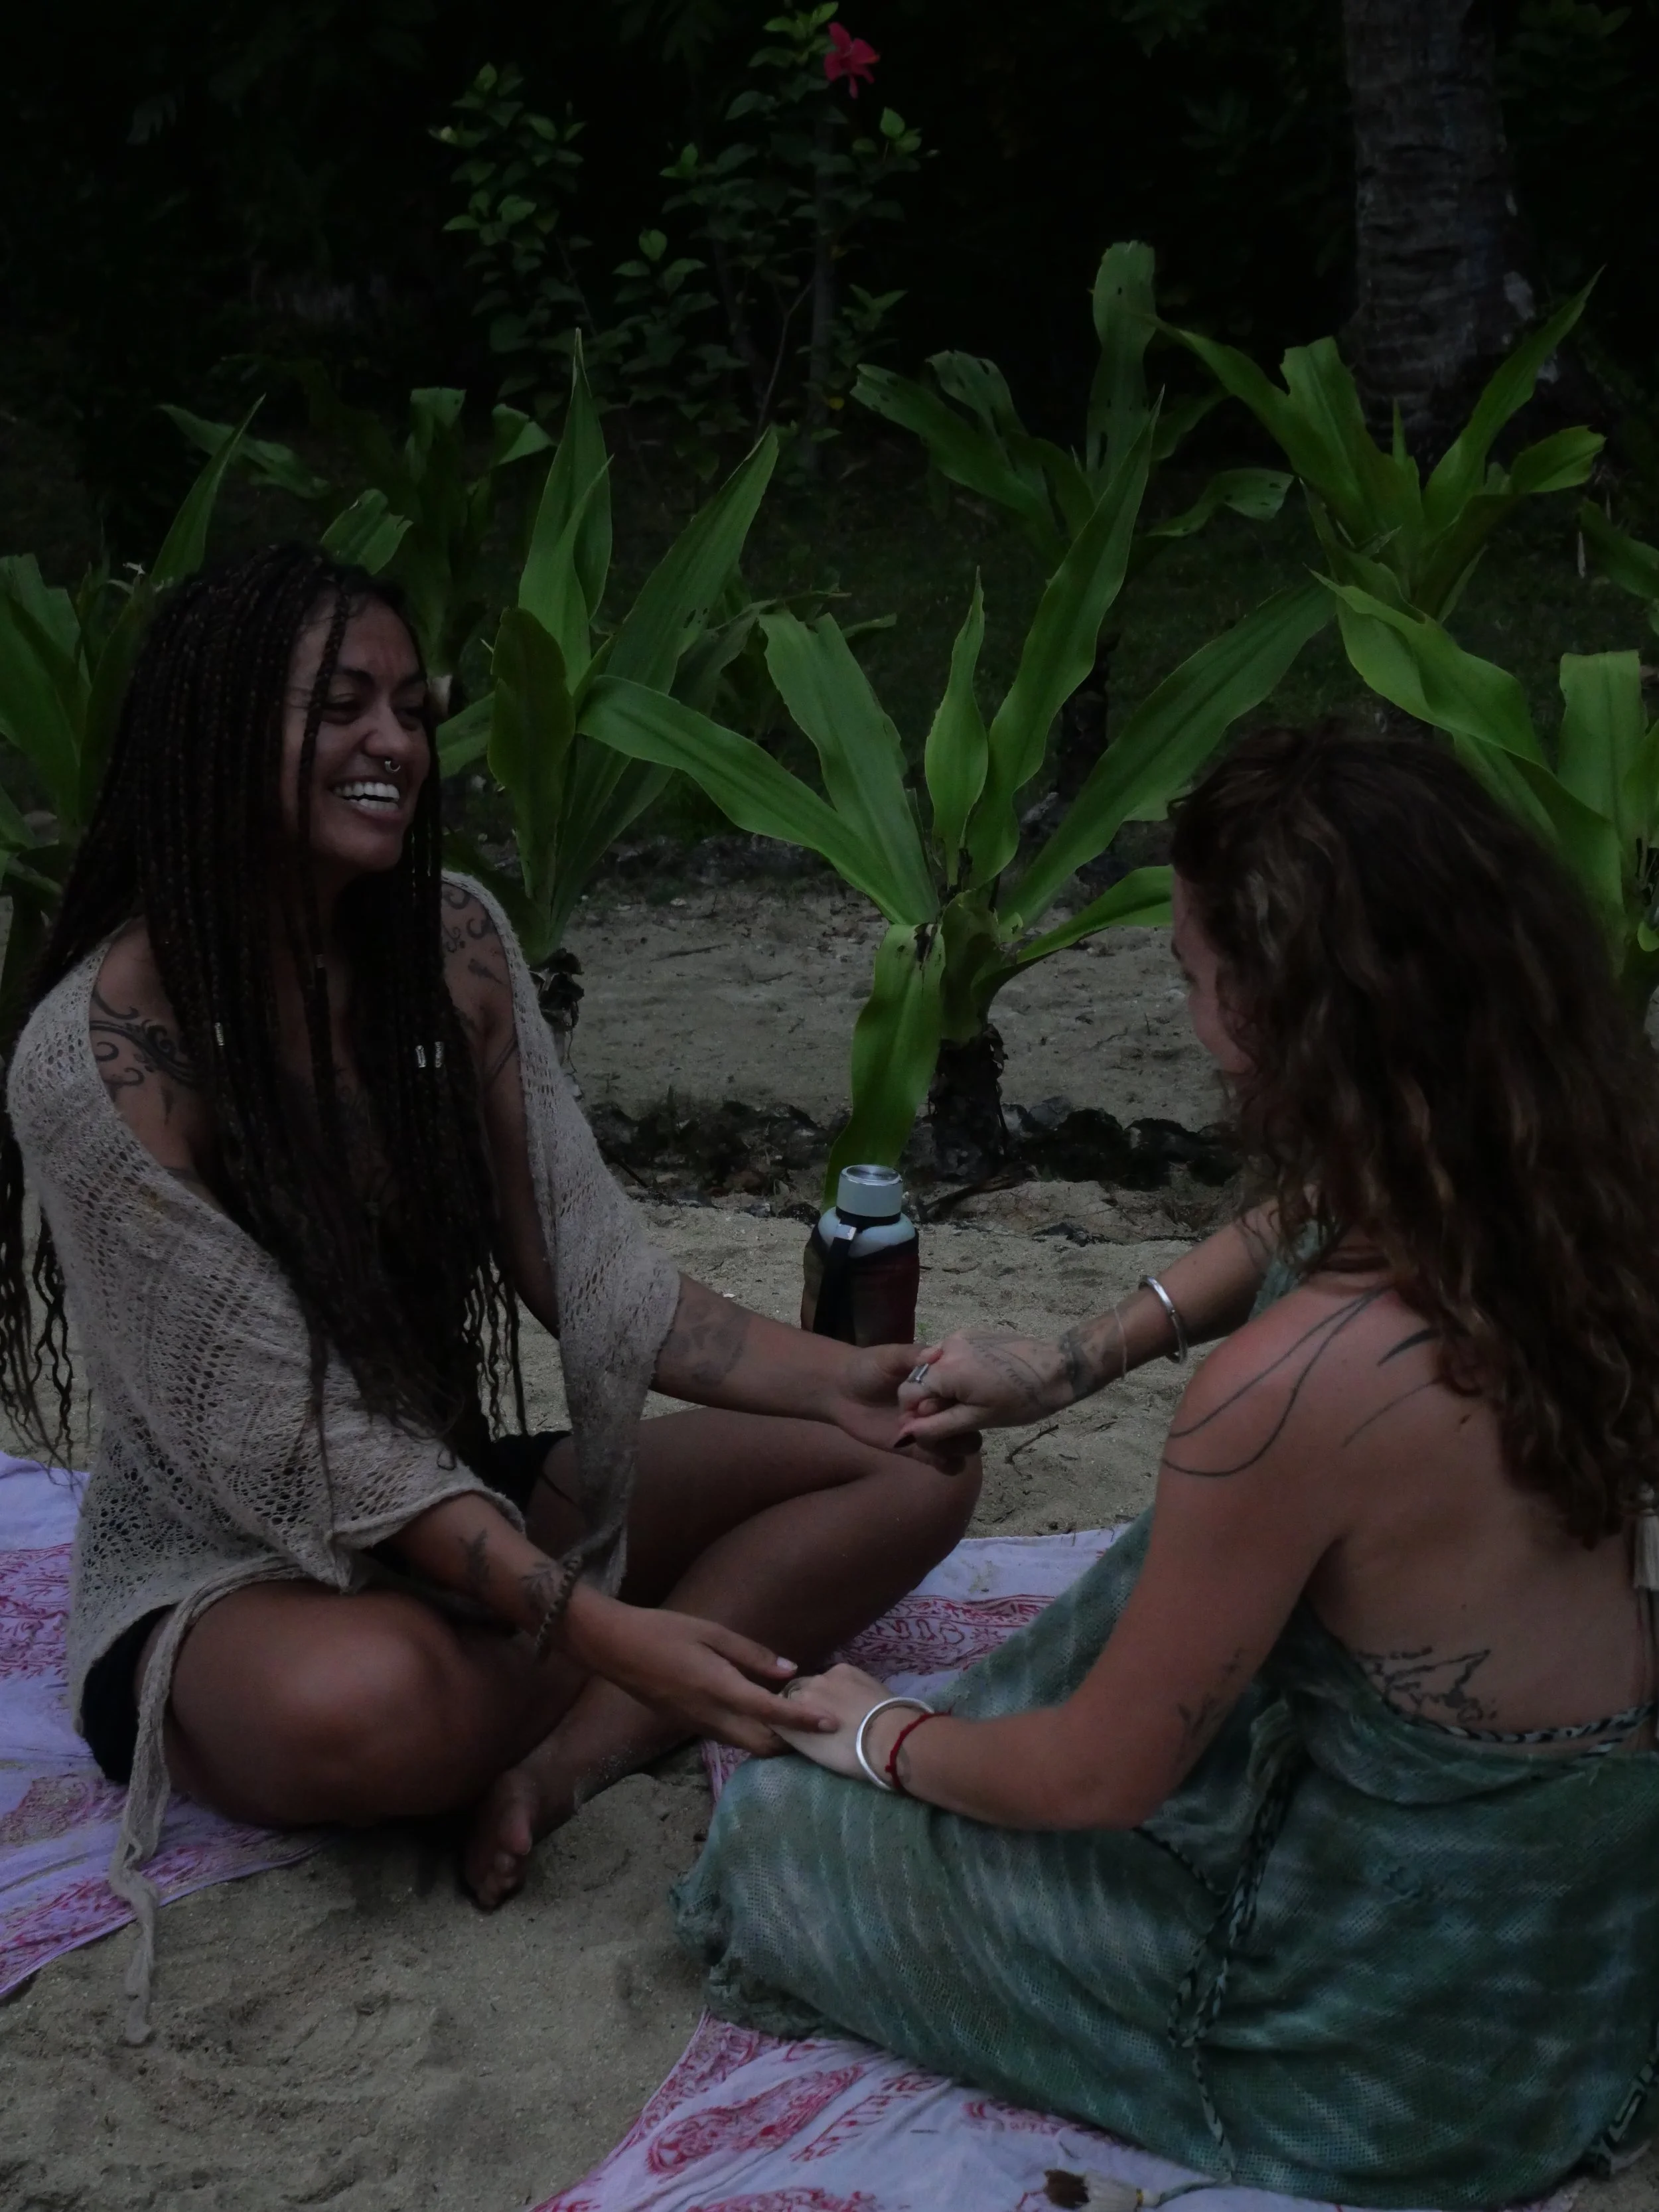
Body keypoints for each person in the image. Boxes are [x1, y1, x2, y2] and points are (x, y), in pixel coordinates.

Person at [673, 722, 1659, 2208]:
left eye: (1190, 977)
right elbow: (1297, 1220)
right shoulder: (1570, 1170)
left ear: (1268, 1017)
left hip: (1389, 2054)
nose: (1188, 1012)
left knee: (770, 1844)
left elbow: (1095, 1778)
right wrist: (1069, 1364)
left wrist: (876, 1734)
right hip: (1584, 1960)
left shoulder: (1288, 1398)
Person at [0, 544, 975, 2027]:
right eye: (342, 706)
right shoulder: (103, 1057)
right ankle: (622, 1665)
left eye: (410, 705)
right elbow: (295, 1438)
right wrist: (592, 1616)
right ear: (212, 731)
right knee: (375, 1710)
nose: (394, 743)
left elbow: (581, 1264)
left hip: (464, 1509)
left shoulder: (451, 941)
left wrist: (838, 1377)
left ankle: (565, 1756)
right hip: (235, 1572)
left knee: (914, 1462)